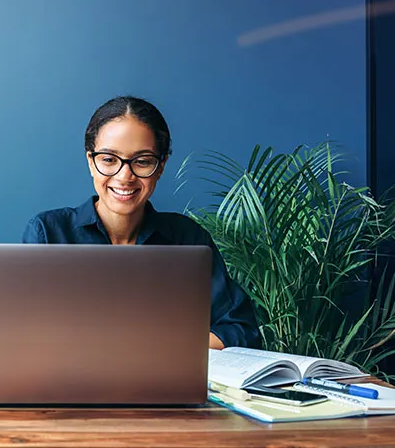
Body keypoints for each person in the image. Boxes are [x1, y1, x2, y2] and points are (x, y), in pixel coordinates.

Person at [21, 96, 259, 349]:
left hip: (164, 383)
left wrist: (158, 349)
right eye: (109, 160)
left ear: (161, 165)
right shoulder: (49, 233)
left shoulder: (188, 239)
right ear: (91, 161)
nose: (125, 176)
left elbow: (239, 329)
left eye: (142, 161)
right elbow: (21, 333)